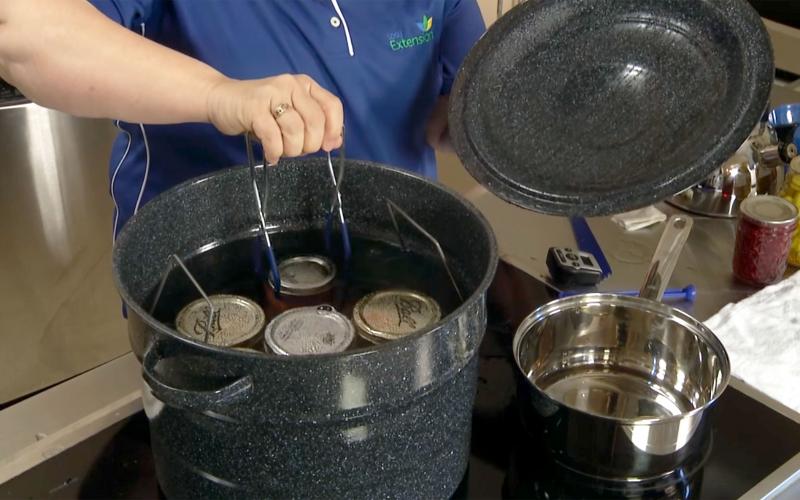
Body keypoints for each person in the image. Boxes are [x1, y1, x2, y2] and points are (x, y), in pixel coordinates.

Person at [2, 0, 485, 238]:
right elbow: (20, 29)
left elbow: (466, 107)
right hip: (210, 290)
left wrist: (479, 129)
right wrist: (217, 94)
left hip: (399, 271)